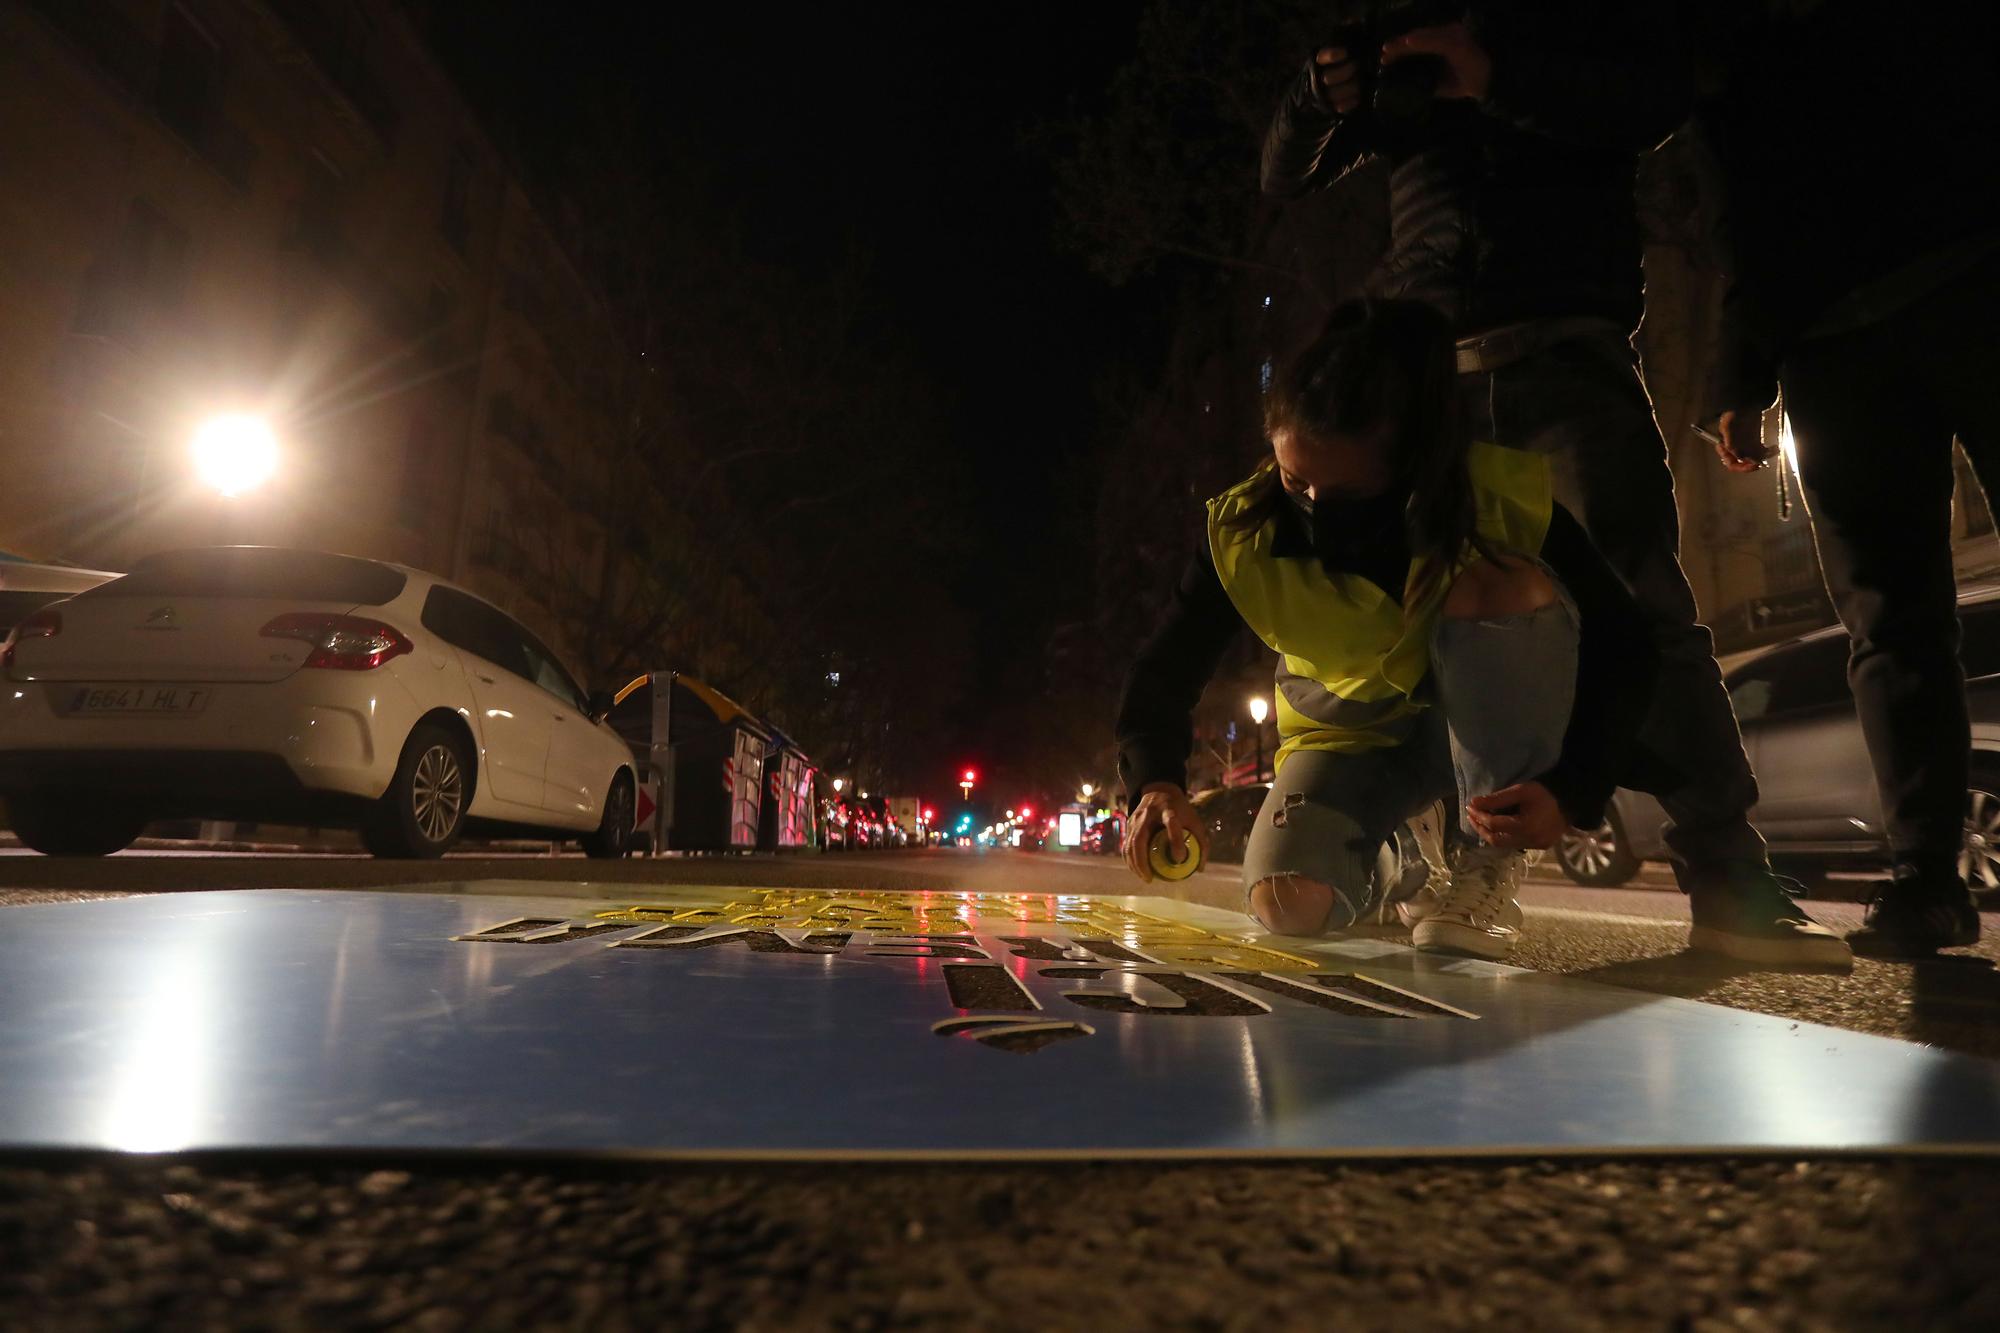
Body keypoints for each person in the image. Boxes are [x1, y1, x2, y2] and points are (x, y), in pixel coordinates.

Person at [1258, 3, 1850, 965]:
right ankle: (1456, 864)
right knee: (1429, 619)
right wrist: (1318, 92)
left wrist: (1493, 74)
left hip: (1565, 346)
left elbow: (1655, 99)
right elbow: (1283, 171)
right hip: (1427, 372)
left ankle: (1731, 879)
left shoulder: (1570, 26)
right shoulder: (1397, 22)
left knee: (1643, 600)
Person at [1116, 299, 1659, 961]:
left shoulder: (1495, 498)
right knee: (1286, 906)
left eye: (1343, 494)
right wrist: (1155, 783)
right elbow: (1164, 669)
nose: (1313, 509)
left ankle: (1487, 865)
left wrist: (1573, 789)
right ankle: (1399, 851)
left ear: (1411, 465)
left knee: (1498, 579)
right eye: (1294, 480)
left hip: (1475, 728)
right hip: (1348, 740)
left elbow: (1628, 642)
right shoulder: (1240, 531)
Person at [1694, 0, 2000, 955]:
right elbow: (1737, 186)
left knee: (1893, 618)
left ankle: (1923, 882)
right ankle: (1922, 879)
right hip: (1844, 325)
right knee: (1889, 617)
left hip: (1950, 271)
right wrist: (1741, 369)